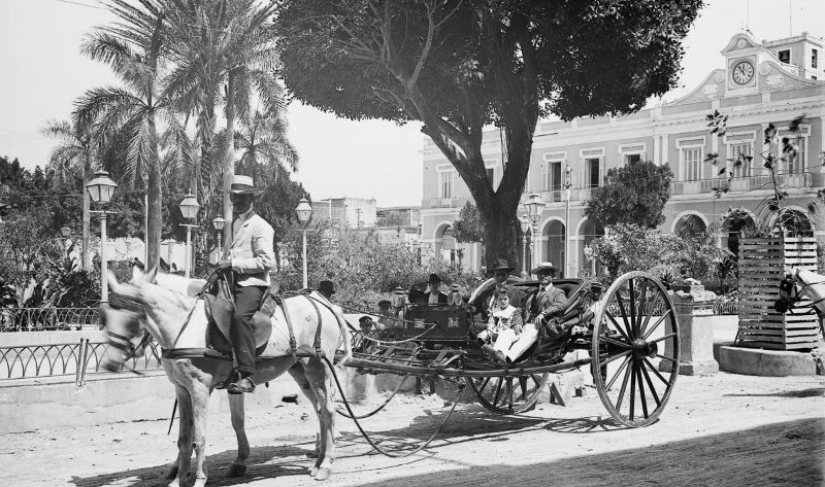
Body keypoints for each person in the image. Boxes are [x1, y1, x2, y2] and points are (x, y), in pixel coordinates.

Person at [216, 174, 275, 394]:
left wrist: (233, 264)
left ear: (252, 198)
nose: (237, 201)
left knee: (240, 317)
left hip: (252, 283)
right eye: (234, 197)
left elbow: (268, 262)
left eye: (242, 197)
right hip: (230, 282)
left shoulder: (261, 226)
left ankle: (247, 375)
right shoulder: (234, 224)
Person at [501, 274, 568, 364]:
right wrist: (518, 323)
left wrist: (544, 313)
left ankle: (507, 359)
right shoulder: (532, 294)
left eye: (546, 273)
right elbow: (520, 310)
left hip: (543, 325)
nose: (543, 276)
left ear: (551, 277)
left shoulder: (558, 293)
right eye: (541, 273)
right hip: (526, 324)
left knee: (530, 333)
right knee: (506, 333)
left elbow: (561, 304)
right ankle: (497, 355)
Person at [479, 288, 524, 363]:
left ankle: (499, 354)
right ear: (496, 300)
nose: (502, 301)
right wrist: (490, 328)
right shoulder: (496, 310)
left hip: (511, 331)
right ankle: (484, 346)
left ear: (509, 299)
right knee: (484, 333)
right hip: (498, 329)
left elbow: (514, 320)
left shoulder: (513, 310)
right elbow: (491, 321)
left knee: (504, 335)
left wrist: (506, 326)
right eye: (500, 299)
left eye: (505, 299)